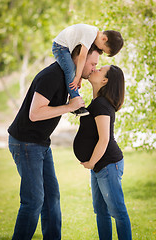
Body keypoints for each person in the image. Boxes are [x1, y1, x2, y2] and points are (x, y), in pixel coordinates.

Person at [8, 44, 102, 240]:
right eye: (92, 63)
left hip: (41, 143)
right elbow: (35, 114)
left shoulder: (67, 78)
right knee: (33, 201)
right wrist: (69, 106)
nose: (94, 68)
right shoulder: (52, 76)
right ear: (80, 59)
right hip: (25, 143)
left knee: (51, 199)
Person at [73, 65, 132, 240]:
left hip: (107, 164)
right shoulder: (97, 102)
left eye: (99, 70)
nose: (94, 69)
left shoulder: (101, 104)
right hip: (100, 165)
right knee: (101, 211)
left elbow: (104, 139)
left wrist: (91, 163)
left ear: (104, 81)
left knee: (117, 211)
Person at [52, 23, 124, 116]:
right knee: (70, 71)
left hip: (64, 47)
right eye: (102, 48)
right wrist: (77, 76)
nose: (99, 49)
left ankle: (73, 98)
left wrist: (80, 77)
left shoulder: (93, 33)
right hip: (60, 47)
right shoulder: (90, 34)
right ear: (104, 39)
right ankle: (75, 100)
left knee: (72, 71)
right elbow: (82, 56)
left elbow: (81, 62)